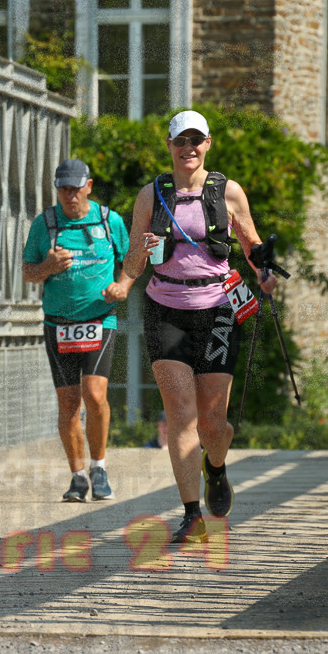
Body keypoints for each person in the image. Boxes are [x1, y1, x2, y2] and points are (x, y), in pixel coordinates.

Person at [122, 110, 278, 543]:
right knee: (180, 416)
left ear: (208, 143)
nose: (188, 148)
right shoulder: (149, 196)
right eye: (180, 141)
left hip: (218, 308)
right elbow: (133, 263)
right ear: (169, 146)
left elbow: (251, 246)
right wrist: (141, 253)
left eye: (196, 140)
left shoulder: (228, 192)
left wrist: (265, 272)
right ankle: (192, 515)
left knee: (212, 424)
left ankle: (216, 466)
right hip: (164, 308)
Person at [23, 159, 133, 503]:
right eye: (63, 189)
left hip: (100, 319)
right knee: (68, 403)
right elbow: (28, 272)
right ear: (57, 189)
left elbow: (131, 262)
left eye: (76, 188)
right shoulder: (46, 223)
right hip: (58, 324)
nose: (70, 196)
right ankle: (77, 477)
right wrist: (48, 267)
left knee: (95, 395)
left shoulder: (108, 220)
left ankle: (99, 467)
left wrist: (122, 286)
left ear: (89, 186)